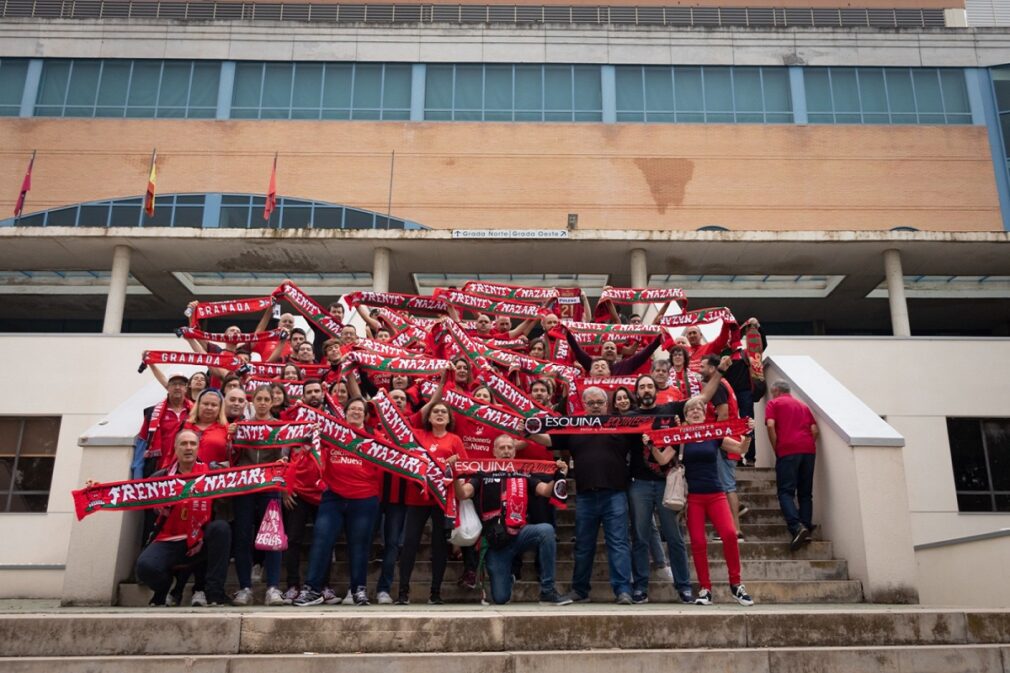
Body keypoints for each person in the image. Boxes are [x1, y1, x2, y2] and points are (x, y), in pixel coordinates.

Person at [624, 359, 732, 604]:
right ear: (637, 392)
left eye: (650, 387)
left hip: (666, 484)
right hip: (638, 484)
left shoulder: (670, 410)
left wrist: (721, 372)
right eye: (642, 387)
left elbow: (702, 398)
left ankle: (683, 586)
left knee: (674, 538)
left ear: (656, 390)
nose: (646, 391)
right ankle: (640, 587)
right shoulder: (628, 417)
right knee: (640, 538)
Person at [644, 396, 755, 606]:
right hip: (693, 497)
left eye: (699, 409)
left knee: (730, 535)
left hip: (716, 494)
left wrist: (748, 435)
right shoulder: (681, 436)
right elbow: (662, 460)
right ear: (685, 416)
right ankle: (705, 589)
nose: (695, 412)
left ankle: (736, 585)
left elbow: (741, 449)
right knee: (697, 542)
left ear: (705, 414)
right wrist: (651, 445)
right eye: (691, 410)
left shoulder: (713, 433)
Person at [455, 434, 572, 605]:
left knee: (546, 530)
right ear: (494, 451)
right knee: (501, 598)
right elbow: (463, 493)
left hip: (520, 533)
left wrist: (559, 475)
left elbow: (546, 491)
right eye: (502, 448)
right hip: (495, 541)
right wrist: (455, 476)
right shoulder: (482, 473)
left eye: (510, 447)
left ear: (515, 452)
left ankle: (548, 591)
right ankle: (507, 578)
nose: (506, 451)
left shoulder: (523, 473)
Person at [550, 386, 634, 605]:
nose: (596, 406)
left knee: (618, 543)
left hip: (615, 493)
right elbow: (551, 441)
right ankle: (580, 590)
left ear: (607, 404)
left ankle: (623, 590)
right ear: (583, 405)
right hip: (586, 495)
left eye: (600, 402)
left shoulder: (619, 425)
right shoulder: (574, 426)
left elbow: (645, 434)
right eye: (591, 403)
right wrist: (528, 429)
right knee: (584, 545)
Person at [294, 397, 381, 607]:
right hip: (333, 497)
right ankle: (313, 589)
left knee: (359, 546)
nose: (357, 412)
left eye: (360, 410)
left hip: (364, 498)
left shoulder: (374, 437)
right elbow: (308, 447)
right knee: (322, 540)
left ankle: (358, 590)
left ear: (365, 415)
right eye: (353, 409)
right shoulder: (333, 433)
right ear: (345, 412)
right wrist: (311, 433)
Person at [134, 430, 232, 607]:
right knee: (144, 568)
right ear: (175, 448)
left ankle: (214, 593)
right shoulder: (160, 477)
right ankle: (163, 589)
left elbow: (236, 490)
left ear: (198, 448)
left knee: (221, 528)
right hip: (169, 539)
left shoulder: (212, 474)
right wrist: (98, 490)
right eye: (184, 444)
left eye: (193, 444)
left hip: (202, 539)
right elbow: (132, 494)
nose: (188, 448)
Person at [398, 400, 467, 605]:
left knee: (439, 546)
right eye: (435, 411)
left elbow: (463, 470)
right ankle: (403, 592)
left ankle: (435, 592)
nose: (439, 414)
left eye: (443, 412)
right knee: (410, 544)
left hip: (443, 500)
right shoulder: (418, 436)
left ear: (449, 418)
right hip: (416, 497)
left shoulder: (455, 440)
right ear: (428, 417)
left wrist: (454, 469)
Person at [230, 386, 288, 606]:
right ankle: (245, 587)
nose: (263, 403)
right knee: (243, 535)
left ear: (273, 402)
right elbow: (232, 454)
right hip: (245, 485)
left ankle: (272, 587)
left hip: (270, 485)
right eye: (259, 399)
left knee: (273, 536)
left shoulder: (279, 427)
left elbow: (284, 453)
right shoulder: (242, 426)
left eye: (267, 399)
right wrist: (231, 438)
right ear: (252, 402)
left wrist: (282, 461)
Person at [764, 380, 819, 550]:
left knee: (785, 492)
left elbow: (771, 425)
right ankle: (806, 527)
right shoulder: (802, 405)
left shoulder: (773, 403)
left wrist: (776, 447)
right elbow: (815, 430)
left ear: (775, 391)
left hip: (787, 450)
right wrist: (807, 444)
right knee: (805, 492)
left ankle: (796, 527)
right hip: (808, 451)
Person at [183, 389, 229, 466]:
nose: (209, 408)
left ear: (220, 408)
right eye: (205, 404)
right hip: (187, 475)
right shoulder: (184, 426)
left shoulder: (227, 429)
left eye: (214, 405)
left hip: (214, 476)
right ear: (198, 405)